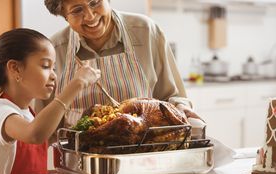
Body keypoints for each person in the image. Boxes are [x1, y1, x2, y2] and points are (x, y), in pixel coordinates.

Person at [0, 28, 100, 174]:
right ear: (15, 68)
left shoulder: (30, 114)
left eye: (54, 68)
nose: (54, 76)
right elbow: (34, 134)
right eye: (45, 66)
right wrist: (77, 84)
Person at [41, 0, 202, 128]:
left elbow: (173, 97)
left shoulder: (146, 31)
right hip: (78, 160)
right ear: (63, 15)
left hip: (145, 152)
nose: (90, 16)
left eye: (95, 2)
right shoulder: (54, 49)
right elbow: (43, 123)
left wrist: (181, 108)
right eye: (77, 10)